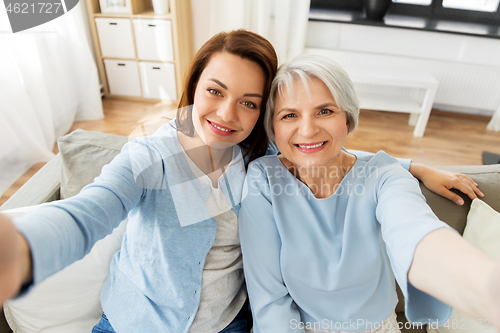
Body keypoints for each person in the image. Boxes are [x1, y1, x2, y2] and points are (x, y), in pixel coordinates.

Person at [0, 31, 485, 333]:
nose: (228, 115)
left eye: (250, 102)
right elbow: (91, 211)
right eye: (215, 92)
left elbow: (332, 150)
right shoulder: (149, 155)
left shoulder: (262, 154)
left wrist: (412, 167)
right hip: (135, 323)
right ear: (193, 88)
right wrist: (22, 247)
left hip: (227, 325)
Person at [239, 54, 500, 333]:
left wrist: (485, 286)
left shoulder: (384, 175)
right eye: (290, 115)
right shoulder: (263, 179)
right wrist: (415, 165)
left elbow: (414, 231)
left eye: (325, 111)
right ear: (273, 127)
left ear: (348, 119)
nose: (308, 129)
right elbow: (268, 301)